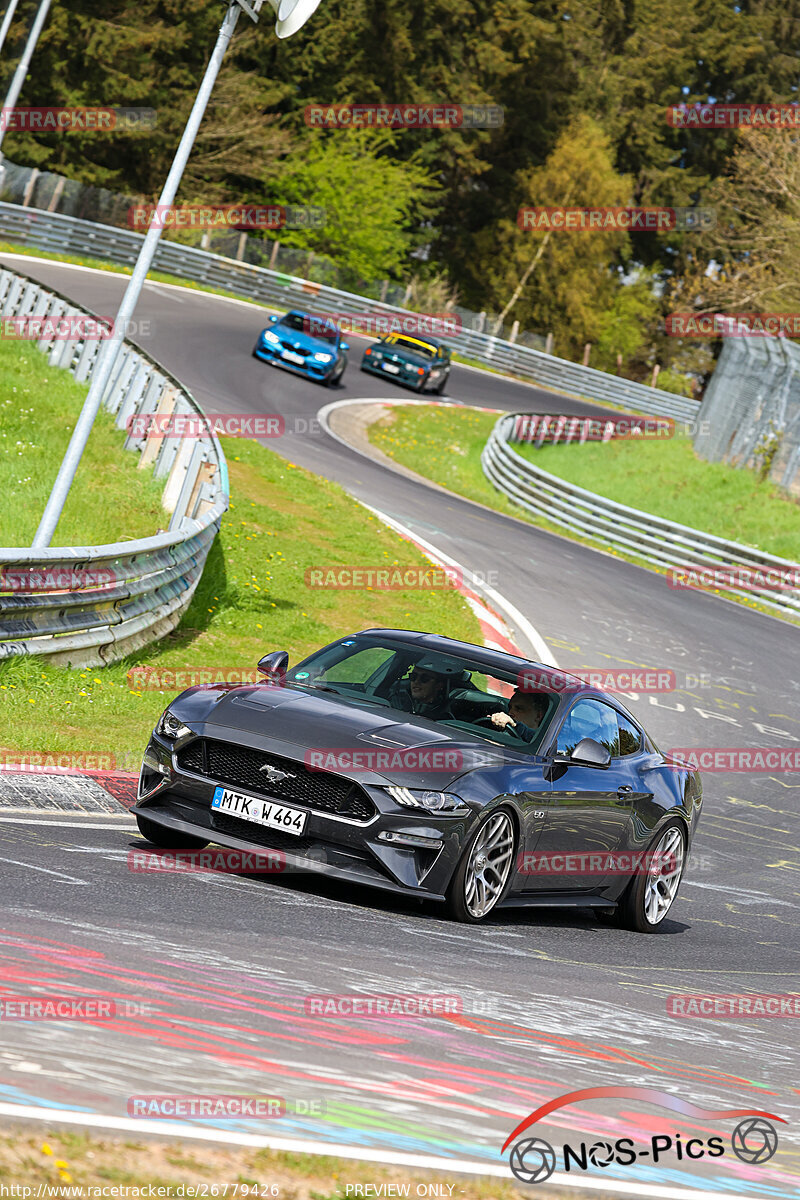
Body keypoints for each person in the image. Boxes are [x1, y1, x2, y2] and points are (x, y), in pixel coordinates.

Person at [389, 656, 463, 721]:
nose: (416, 681)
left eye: (425, 678)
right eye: (413, 676)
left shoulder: (445, 717)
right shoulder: (394, 700)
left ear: (439, 685)